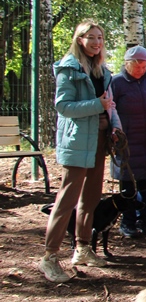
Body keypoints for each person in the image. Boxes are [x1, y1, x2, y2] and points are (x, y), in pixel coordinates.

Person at [39, 20, 122, 282]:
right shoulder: (69, 69)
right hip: (77, 142)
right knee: (67, 200)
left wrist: (115, 127)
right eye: (91, 37)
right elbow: (64, 107)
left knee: (91, 198)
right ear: (79, 39)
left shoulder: (102, 71)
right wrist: (96, 105)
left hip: (99, 140)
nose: (96, 42)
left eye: (100, 37)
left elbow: (110, 105)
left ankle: (83, 248)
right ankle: (49, 257)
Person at [109, 45, 146, 239]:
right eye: (137, 65)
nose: (141, 69)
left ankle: (143, 221)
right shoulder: (116, 82)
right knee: (128, 184)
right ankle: (127, 222)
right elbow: (110, 110)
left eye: (144, 65)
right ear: (127, 64)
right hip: (127, 143)